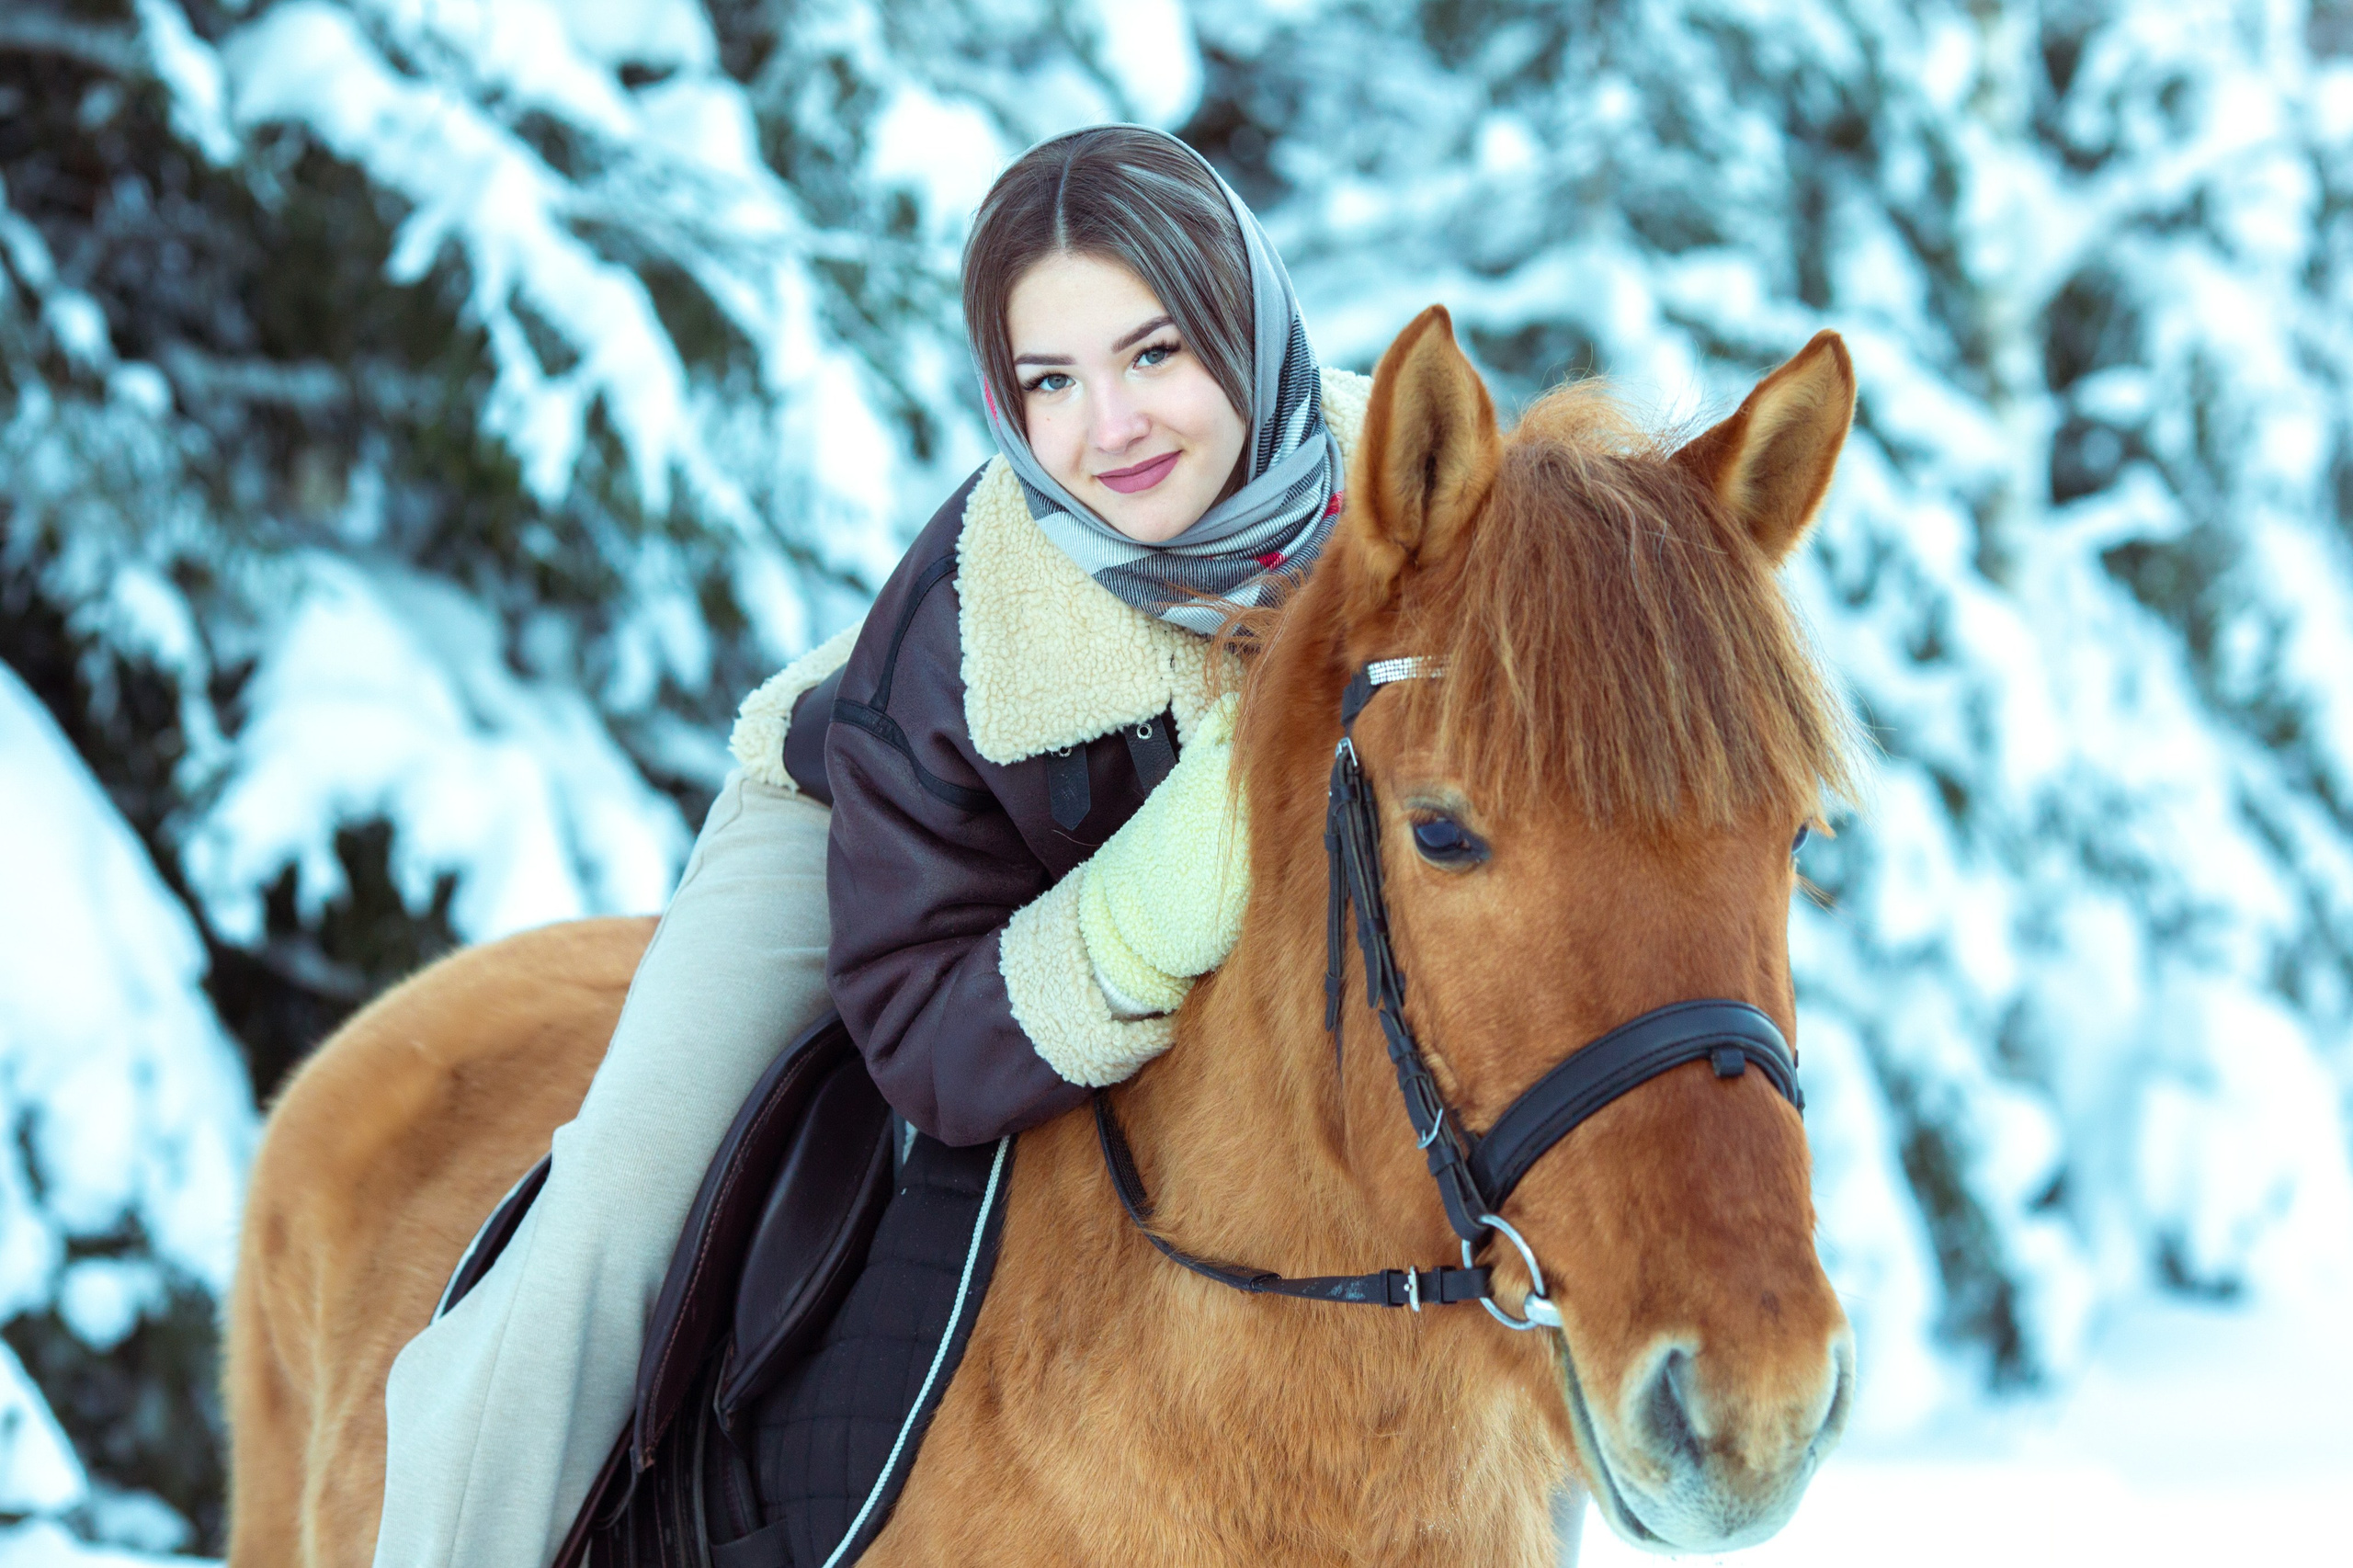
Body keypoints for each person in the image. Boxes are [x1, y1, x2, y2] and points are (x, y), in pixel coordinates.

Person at [369, 121, 1370, 1567]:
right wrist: (1150, 906)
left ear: (1248, 325)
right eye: (1051, 380)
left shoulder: (1404, 508)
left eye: (1155, 354)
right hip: (873, 814)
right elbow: (922, 1032)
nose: (1111, 430)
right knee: (622, 1193)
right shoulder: (963, 637)